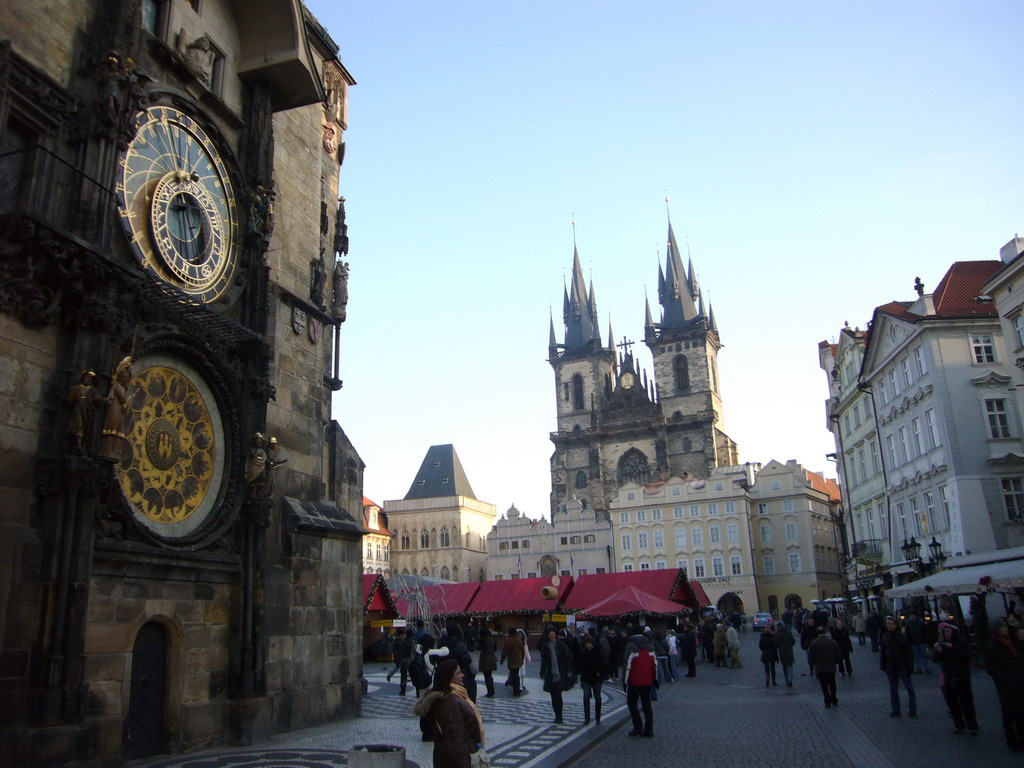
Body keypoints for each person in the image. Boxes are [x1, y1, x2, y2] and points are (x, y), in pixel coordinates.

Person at [413, 659, 484, 767]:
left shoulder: (455, 696)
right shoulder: (450, 702)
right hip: (457, 761)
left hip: (449, 759)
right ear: (448, 677)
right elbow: (455, 742)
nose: (462, 675)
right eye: (458, 673)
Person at [982, 618, 1024, 752]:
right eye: (1003, 627)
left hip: (1018, 681)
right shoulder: (991, 647)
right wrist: (1004, 678)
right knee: (1009, 713)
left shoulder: (1012, 642)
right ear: (997, 630)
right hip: (1005, 685)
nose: (1006, 628)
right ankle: (1011, 740)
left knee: (1020, 713)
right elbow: (991, 668)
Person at [934, 622, 978, 735]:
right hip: (949, 677)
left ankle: (972, 726)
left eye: (948, 631)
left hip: (962, 677)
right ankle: (959, 725)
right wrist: (938, 652)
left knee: (967, 703)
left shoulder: (962, 643)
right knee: (953, 704)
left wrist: (953, 648)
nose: (946, 633)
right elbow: (936, 659)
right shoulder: (943, 645)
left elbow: (967, 655)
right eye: (945, 632)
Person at [879, 615, 916, 717]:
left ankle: (912, 709)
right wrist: (882, 665)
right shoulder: (885, 636)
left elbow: (909, 653)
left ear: (896, 625)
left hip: (902, 665)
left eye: (891, 624)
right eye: (888, 624)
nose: (889, 626)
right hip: (891, 666)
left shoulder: (902, 637)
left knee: (909, 687)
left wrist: (910, 667)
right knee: (893, 689)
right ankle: (896, 709)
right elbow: (883, 652)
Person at [623, 629, 657, 737]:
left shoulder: (630, 647)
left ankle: (638, 726)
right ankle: (649, 728)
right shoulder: (650, 647)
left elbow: (627, 666)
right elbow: (654, 665)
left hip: (634, 681)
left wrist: (625, 681)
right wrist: (655, 679)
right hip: (647, 681)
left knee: (632, 704)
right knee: (646, 704)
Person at [539, 628, 574, 724]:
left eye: (553, 634)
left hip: (560, 672)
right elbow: (544, 661)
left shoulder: (561, 645)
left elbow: (568, 657)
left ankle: (560, 716)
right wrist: (542, 672)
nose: (552, 636)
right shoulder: (546, 647)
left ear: (556, 635)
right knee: (553, 695)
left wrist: (568, 670)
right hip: (550, 673)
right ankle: (556, 715)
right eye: (550, 634)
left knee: (558, 694)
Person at [441, 623, 477, 702]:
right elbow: (466, 661)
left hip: (444, 675)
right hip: (460, 673)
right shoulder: (459, 644)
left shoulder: (441, 643)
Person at [577, 634, 608, 725]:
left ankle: (598, 717)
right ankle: (587, 718)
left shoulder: (598, 653)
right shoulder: (582, 653)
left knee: (597, 697)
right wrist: (580, 671)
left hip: (596, 677)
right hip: (586, 677)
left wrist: (600, 672)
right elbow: (578, 664)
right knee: (586, 696)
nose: (588, 645)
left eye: (590, 643)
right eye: (586, 644)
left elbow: (604, 664)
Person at [808, 626, 841, 708]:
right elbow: (838, 655)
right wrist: (834, 662)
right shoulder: (832, 642)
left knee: (824, 685)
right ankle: (834, 699)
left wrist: (815, 663)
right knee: (832, 683)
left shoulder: (814, 643)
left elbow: (810, 656)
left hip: (820, 668)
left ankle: (827, 701)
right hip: (831, 667)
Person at [387, 627, 415, 695]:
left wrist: (399, 659)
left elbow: (400, 652)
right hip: (411, 660)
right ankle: (417, 690)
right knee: (413, 675)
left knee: (403, 675)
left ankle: (403, 690)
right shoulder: (413, 642)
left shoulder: (403, 642)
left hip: (404, 661)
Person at [499, 627, 525, 696]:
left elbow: (505, 651)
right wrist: (522, 659)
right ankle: (517, 688)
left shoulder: (509, 641)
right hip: (519, 660)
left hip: (512, 660)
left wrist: (502, 660)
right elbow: (522, 651)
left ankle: (516, 690)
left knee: (514, 675)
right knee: (516, 674)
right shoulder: (519, 640)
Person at [775, 622, 796, 687]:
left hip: (782, 652)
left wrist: (780, 647)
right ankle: (790, 680)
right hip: (789, 651)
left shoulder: (777, 634)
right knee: (790, 666)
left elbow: (776, 643)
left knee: (784, 666)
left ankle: (787, 679)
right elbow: (793, 641)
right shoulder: (788, 632)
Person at [478, 627, 498, 697]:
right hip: (492, 659)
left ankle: (490, 691)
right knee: (490, 676)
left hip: (485, 660)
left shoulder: (482, 640)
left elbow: (478, 648)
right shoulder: (492, 640)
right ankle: (491, 689)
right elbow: (495, 649)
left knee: (486, 676)